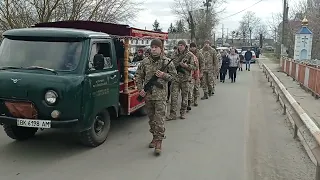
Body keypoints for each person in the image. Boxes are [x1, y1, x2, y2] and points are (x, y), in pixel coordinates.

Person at [135, 39, 177, 155]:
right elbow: (138, 76)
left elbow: (174, 77)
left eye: (156, 47)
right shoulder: (145, 62)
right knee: (152, 120)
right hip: (148, 96)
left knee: (159, 120)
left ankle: (159, 142)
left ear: (161, 48)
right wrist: (140, 89)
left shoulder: (167, 62)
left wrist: (164, 75)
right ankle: (154, 136)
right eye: (152, 47)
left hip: (161, 96)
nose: (153, 49)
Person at [167, 40, 196, 120]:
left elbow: (194, 67)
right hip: (175, 79)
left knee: (184, 97)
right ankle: (172, 114)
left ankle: (182, 112)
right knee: (174, 97)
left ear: (185, 46)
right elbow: (170, 64)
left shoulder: (190, 55)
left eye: (181, 45)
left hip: (185, 79)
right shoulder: (174, 54)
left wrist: (186, 66)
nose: (180, 47)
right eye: (179, 45)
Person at [188, 42, 204, 107]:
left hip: (197, 72)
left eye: (193, 47)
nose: (192, 48)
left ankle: (195, 100)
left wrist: (201, 72)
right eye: (191, 47)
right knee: (190, 88)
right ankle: (190, 100)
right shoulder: (188, 54)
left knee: (196, 88)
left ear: (195, 47)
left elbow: (202, 63)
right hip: (190, 73)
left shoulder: (199, 54)